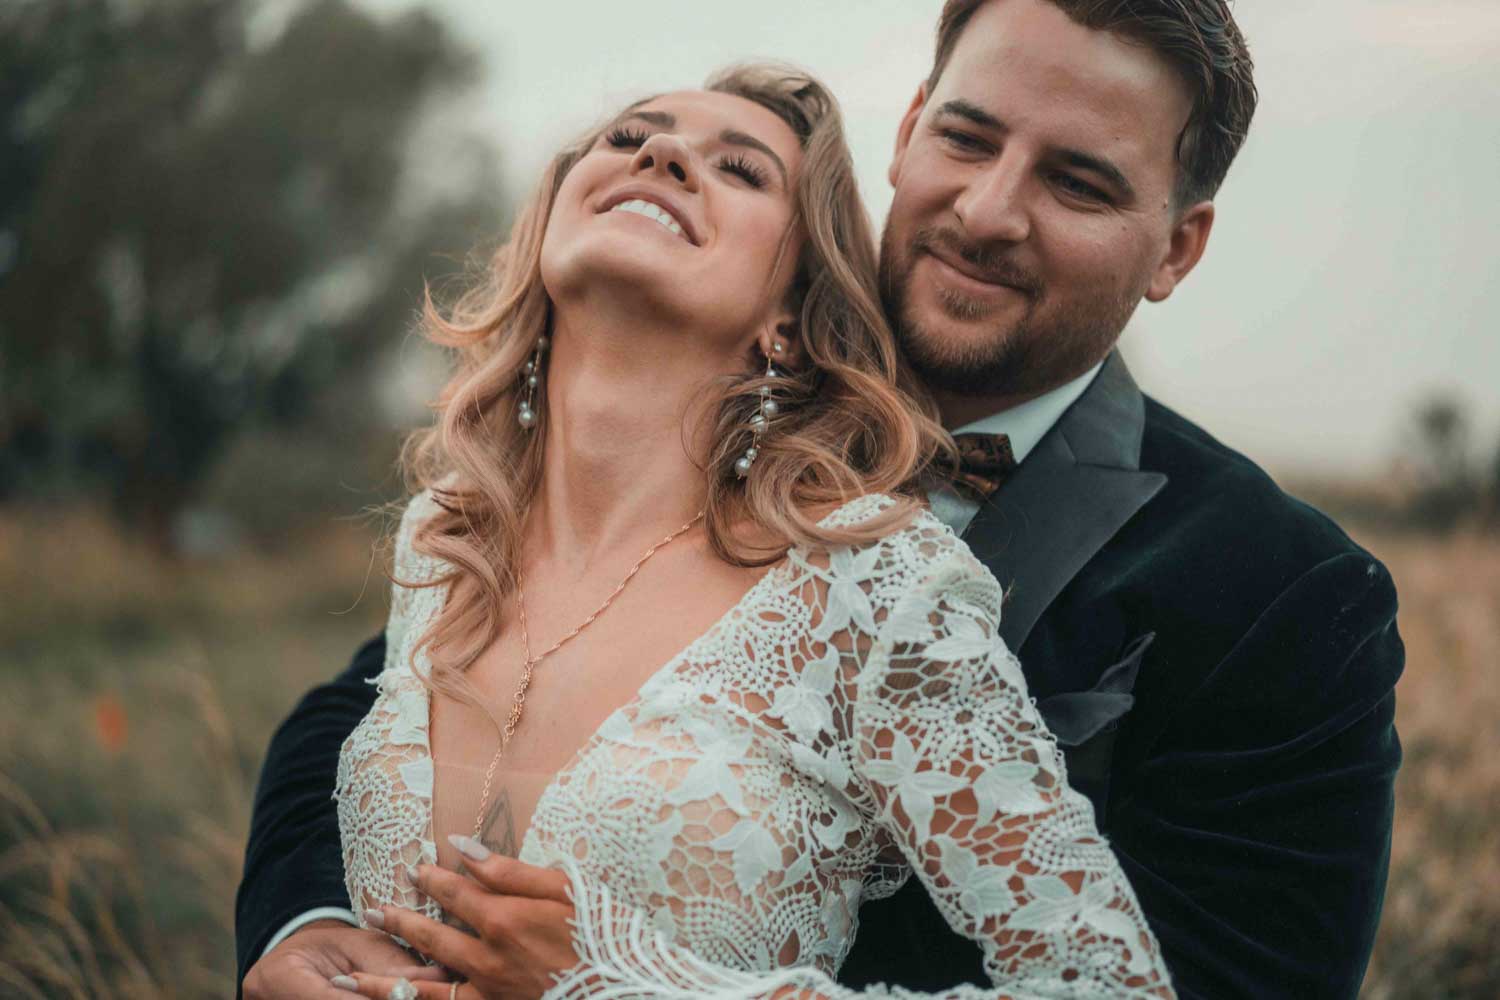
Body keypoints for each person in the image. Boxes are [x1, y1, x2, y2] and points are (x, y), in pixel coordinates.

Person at [239, 2, 1404, 999]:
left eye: (1079, 181)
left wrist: (627, 975)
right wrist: (304, 924)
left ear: (1177, 249)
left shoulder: (1287, 596)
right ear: (908, 132)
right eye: (968, 136)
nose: (990, 212)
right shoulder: (611, 466)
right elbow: (371, 708)